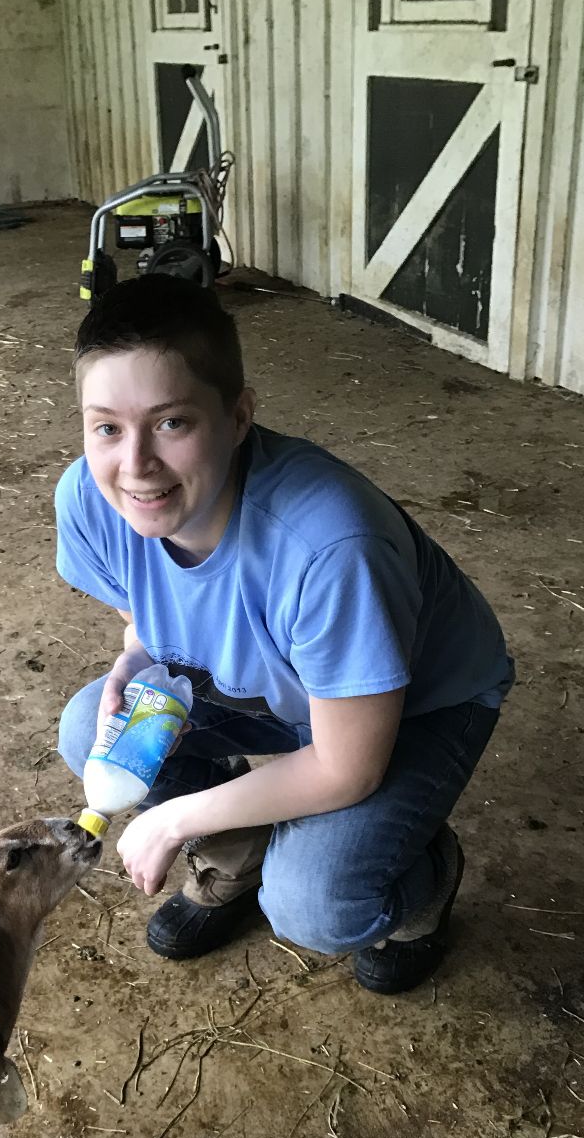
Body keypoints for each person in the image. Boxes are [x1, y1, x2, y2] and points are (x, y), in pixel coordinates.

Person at [55, 275, 513, 994]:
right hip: (283, 693)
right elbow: (146, 611)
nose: (134, 464)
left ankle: (423, 881)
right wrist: (133, 658)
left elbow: (344, 766)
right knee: (93, 726)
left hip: (417, 703)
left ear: (238, 416)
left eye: (172, 423)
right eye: (107, 426)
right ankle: (236, 857)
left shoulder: (329, 547)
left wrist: (176, 818)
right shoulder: (92, 496)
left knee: (315, 902)